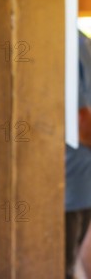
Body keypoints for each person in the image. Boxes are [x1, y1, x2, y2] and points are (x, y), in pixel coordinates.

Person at [65, 31, 91, 279]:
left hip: (76, 184)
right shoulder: (75, 42)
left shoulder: (78, 41)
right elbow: (80, 120)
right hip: (71, 183)